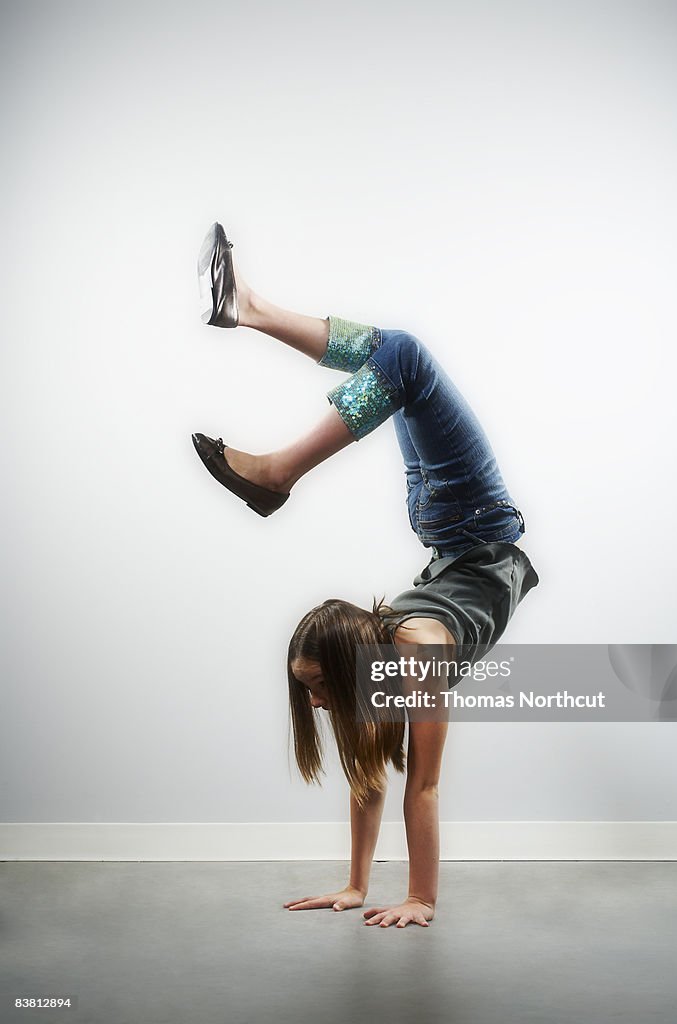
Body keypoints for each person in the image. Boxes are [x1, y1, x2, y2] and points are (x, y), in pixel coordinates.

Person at [192, 222, 539, 928]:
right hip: (471, 526)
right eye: (316, 688)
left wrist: (375, 889)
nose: (317, 703)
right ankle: (256, 344)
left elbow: (378, 778)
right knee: (400, 357)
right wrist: (407, 897)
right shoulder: (417, 660)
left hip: (449, 528)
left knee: (397, 358)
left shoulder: (396, 658)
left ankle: (255, 344)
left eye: (316, 686)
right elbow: (416, 784)